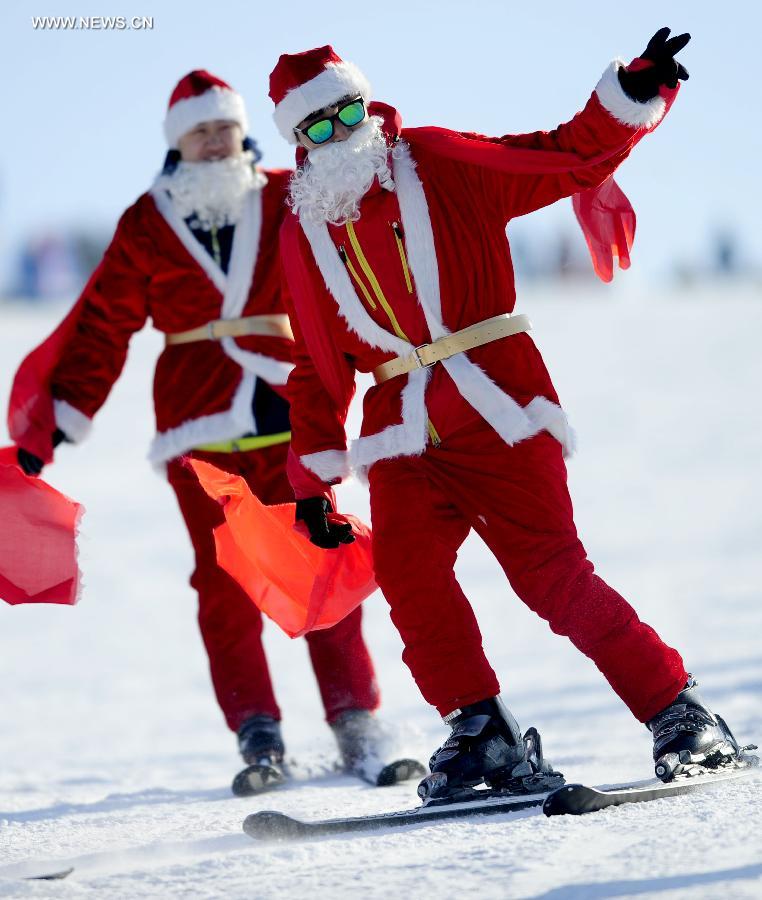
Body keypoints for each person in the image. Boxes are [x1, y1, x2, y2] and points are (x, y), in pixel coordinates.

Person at [269, 33, 748, 795]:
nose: (340, 132)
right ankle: (480, 729)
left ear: (368, 104)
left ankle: (679, 713)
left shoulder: (437, 163)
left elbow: (564, 156)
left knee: (550, 573)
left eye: (349, 112)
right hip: (398, 421)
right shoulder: (302, 231)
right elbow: (315, 364)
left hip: (494, 399)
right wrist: (313, 475)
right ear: (295, 140)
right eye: (318, 126)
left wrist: (631, 94)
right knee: (409, 576)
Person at [9, 70, 393, 789]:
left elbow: (348, 267)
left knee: (321, 559)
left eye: (224, 126)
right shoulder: (146, 221)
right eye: (200, 130)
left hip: (289, 410)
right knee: (223, 587)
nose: (215, 140)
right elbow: (102, 327)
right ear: (177, 141)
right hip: (198, 425)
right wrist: (55, 426)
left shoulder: (286, 194)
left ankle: (357, 725)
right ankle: (260, 738)